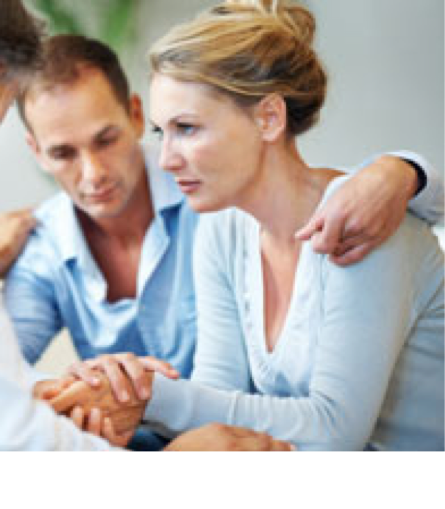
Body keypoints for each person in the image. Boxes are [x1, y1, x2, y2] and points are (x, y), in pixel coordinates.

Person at [0, 0, 289, 453]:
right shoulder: (29, 237)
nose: (93, 174)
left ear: (136, 116)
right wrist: (81, 390)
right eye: (63, 153)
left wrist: (377, 172)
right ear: (35, 149)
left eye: (106, 140)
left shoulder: (216, 201)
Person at [51, 0, 445, 452]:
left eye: (187, 128)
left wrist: (153, 397)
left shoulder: (362, 221)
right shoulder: (223, 229)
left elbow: (336, 430)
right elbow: (219, 401)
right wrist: (125, 393)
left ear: (269, 118)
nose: (166, 160)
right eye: (162, 132)